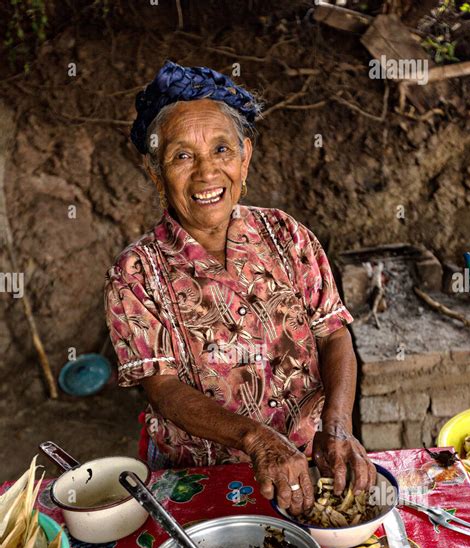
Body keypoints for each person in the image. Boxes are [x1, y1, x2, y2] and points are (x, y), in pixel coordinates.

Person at [104, 60, 377, 516]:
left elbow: (333, 334)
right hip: (200, 482)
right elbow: (163, 388)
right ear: (156, 173)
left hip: (313, 464)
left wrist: (338, 426)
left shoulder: (287, 235)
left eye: (221, 150)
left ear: (245, 157)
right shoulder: (135, 273)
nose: (207, 173)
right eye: (182, 156)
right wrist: (257, 439)